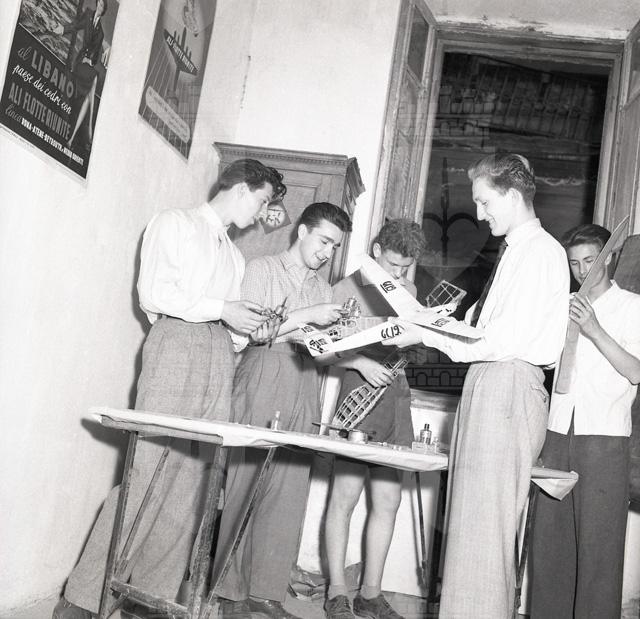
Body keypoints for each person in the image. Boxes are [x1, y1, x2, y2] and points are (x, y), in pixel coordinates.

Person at [53, 158, 286, 619]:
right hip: (176, 345)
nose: (263, 214)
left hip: (218, 357)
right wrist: (223, 308)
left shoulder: (235, 256)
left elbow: (230, 327)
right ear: (242, 188)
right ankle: (82, 599)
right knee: (147, 475)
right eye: (262, 201)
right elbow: (155, 294)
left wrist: (250, 330)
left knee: (193, 487)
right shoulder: (174, 223)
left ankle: (147, 600)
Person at [382, 153, 569, 618]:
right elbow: (487, 331)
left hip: (507, 385)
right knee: (471, 529)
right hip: (492, 382)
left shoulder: (540, 252)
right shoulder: (518, 252)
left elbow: (500, 342)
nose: (480, 215)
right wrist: (434, 324)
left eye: (485, 202)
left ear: (512, 195)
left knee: (484, 531)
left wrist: (425, 334)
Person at [213, 202, 352, 619]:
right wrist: (310, 317)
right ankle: (230, 594)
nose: (327, 253)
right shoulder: (262, 269)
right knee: (246, 482)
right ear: (302, 231)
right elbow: (256, 332)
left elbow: (321, 351)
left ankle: (266, 592)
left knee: (290, 490)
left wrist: (344, 338)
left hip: (305, 380)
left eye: (335, 246)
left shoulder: (323, 288)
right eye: (323, 241)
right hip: (264, 370)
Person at [530, 224, 640, 619]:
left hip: (604, 438)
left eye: (590, 260)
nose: (582, 270)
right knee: (549, 544)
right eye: (574, 263)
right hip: (558, 431)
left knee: (599, 548)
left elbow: (636, 371)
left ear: (608, 258)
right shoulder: (562, 304)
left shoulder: (632, 307)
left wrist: (593, 329)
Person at [323, 219, 426, 619]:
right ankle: (336, 592)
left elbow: (414, 342)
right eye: (393, 265)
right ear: (377, 250)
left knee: (388, 500)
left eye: (406, 268)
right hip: (360, 392)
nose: (399, 275)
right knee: (345, 496)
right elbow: (319, 347)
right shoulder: (346, 289)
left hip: (396, 395)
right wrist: (360, 362)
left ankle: (370, 594)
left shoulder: (408, 291)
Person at [54, 0, 111, 149]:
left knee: (88, 95)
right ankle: (89, 131)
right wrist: (63, 29)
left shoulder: (101, 32)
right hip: (79, 63)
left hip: (87, 65)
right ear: (97, 4)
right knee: (92, 84)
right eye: (99, 4)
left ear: (104, 10)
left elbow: (95, 56)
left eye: (102, 6)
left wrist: (90, 60)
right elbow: (75, 25)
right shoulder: (88, 15)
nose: (99, 7)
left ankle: (73, 137)